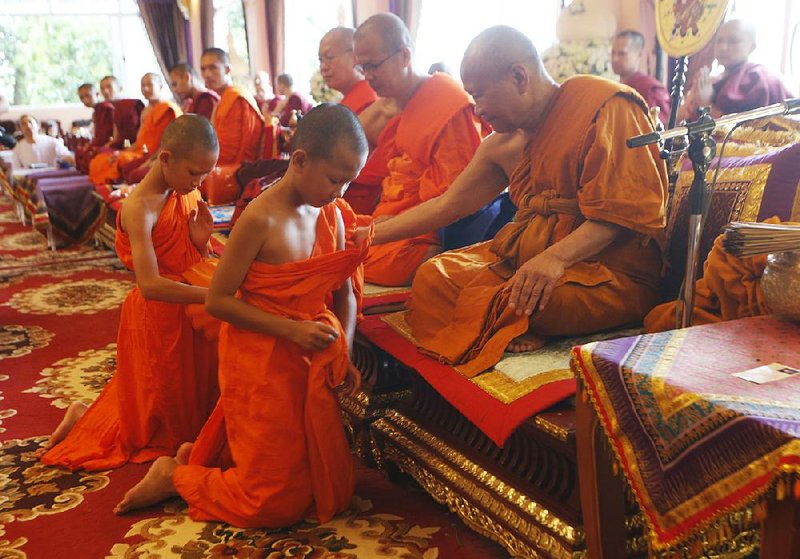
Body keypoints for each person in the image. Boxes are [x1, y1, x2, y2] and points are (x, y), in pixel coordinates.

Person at [355, 25, 668, 375]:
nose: (477, 109)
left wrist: (555, 258)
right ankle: (515, 325)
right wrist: (369, 234)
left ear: (519, 76)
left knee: (527, 301)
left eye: (482, 95)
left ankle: (523, 323)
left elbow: (623, 212)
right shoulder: (502, 143)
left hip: (609, 270)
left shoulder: (604, 107)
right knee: (433, 278)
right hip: (531, 256)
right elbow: (447, 205)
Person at [114, 104, 369, 527]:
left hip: (307, 356)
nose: (340, 193)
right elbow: (217, 301)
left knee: (324, 487)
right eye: (334, 179)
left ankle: (198, 457)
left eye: (348, 182)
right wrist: (292, 330)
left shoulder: (329, 212)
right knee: (273, 505)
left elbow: (344, 291)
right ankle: (175, 475)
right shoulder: (259, 218)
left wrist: (344, 344)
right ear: (301, 160)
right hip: (259, 359)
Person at [41, 115, 221, 471]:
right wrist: (213, 298)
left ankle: (86, 412)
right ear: (166, 158)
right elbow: (150, 284)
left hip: (188, 308)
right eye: (194, 173)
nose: (199, 183)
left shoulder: (184, 191)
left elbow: (188, 256)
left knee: (192, 418)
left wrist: (200, 244)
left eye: (205, 174)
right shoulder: (139, 207)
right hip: (157, 316)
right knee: (156, 428)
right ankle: (84, 417)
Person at [351, 13, 492, 285]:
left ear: (404, 56)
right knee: (332, 229)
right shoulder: (395, 105)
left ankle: (434, 262)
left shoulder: (446, 103)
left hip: (425, 233)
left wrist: (386, 227)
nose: (368, 77)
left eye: (374, 66)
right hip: (394, 219)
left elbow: (454, 199)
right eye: (362, 68)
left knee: (345, 254)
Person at [680, 19, 793, 120]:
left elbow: (749, 132)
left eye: (733, 41)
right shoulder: (711, 82)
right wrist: (692, 97)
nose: (723, 47)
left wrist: (707, 105)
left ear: (752, 47)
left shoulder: (762, 79)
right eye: (719, 41)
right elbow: (676, 124)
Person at [89, 72, 181, 186]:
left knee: (123, 164)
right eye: (143, 85)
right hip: (141, 151)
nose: (145, 88)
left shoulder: (168, 109)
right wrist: (121, 152)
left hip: (157, 154)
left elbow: (170, 142)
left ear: (160, 86)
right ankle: (109, 187)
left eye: (150, 85)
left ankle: (115, 186)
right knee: (102, 160)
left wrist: (149, 161)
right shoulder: (145, 111)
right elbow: (139, 141)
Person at [200, 47, 264, 205]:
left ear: (227, 69)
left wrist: (197, 161)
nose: (207, 74)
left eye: (213, 68)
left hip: (237, 171)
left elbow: (231, 151)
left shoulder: (236, 98)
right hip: (220, 162)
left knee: (182, 174)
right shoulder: (224, 99)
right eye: (203, 69)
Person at [611, 30, 670, 125]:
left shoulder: (650, 89)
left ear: (639, 55)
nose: (615, 59)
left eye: (622, 54)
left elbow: (660, 128)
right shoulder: (614, 88)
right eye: (613, 53)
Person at [319, 27, 378, 116]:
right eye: (321, 60)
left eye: (330, 57)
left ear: (355, 57)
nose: (323, 67)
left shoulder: (368, 102)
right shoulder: (347, 102)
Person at [77, 82, 115, 147]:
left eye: (87, 96)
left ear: (97, 94)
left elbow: (105, 135)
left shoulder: (105, 108)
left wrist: (91, 145)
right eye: (82, 98)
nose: (85, 100)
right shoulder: (96, 112)